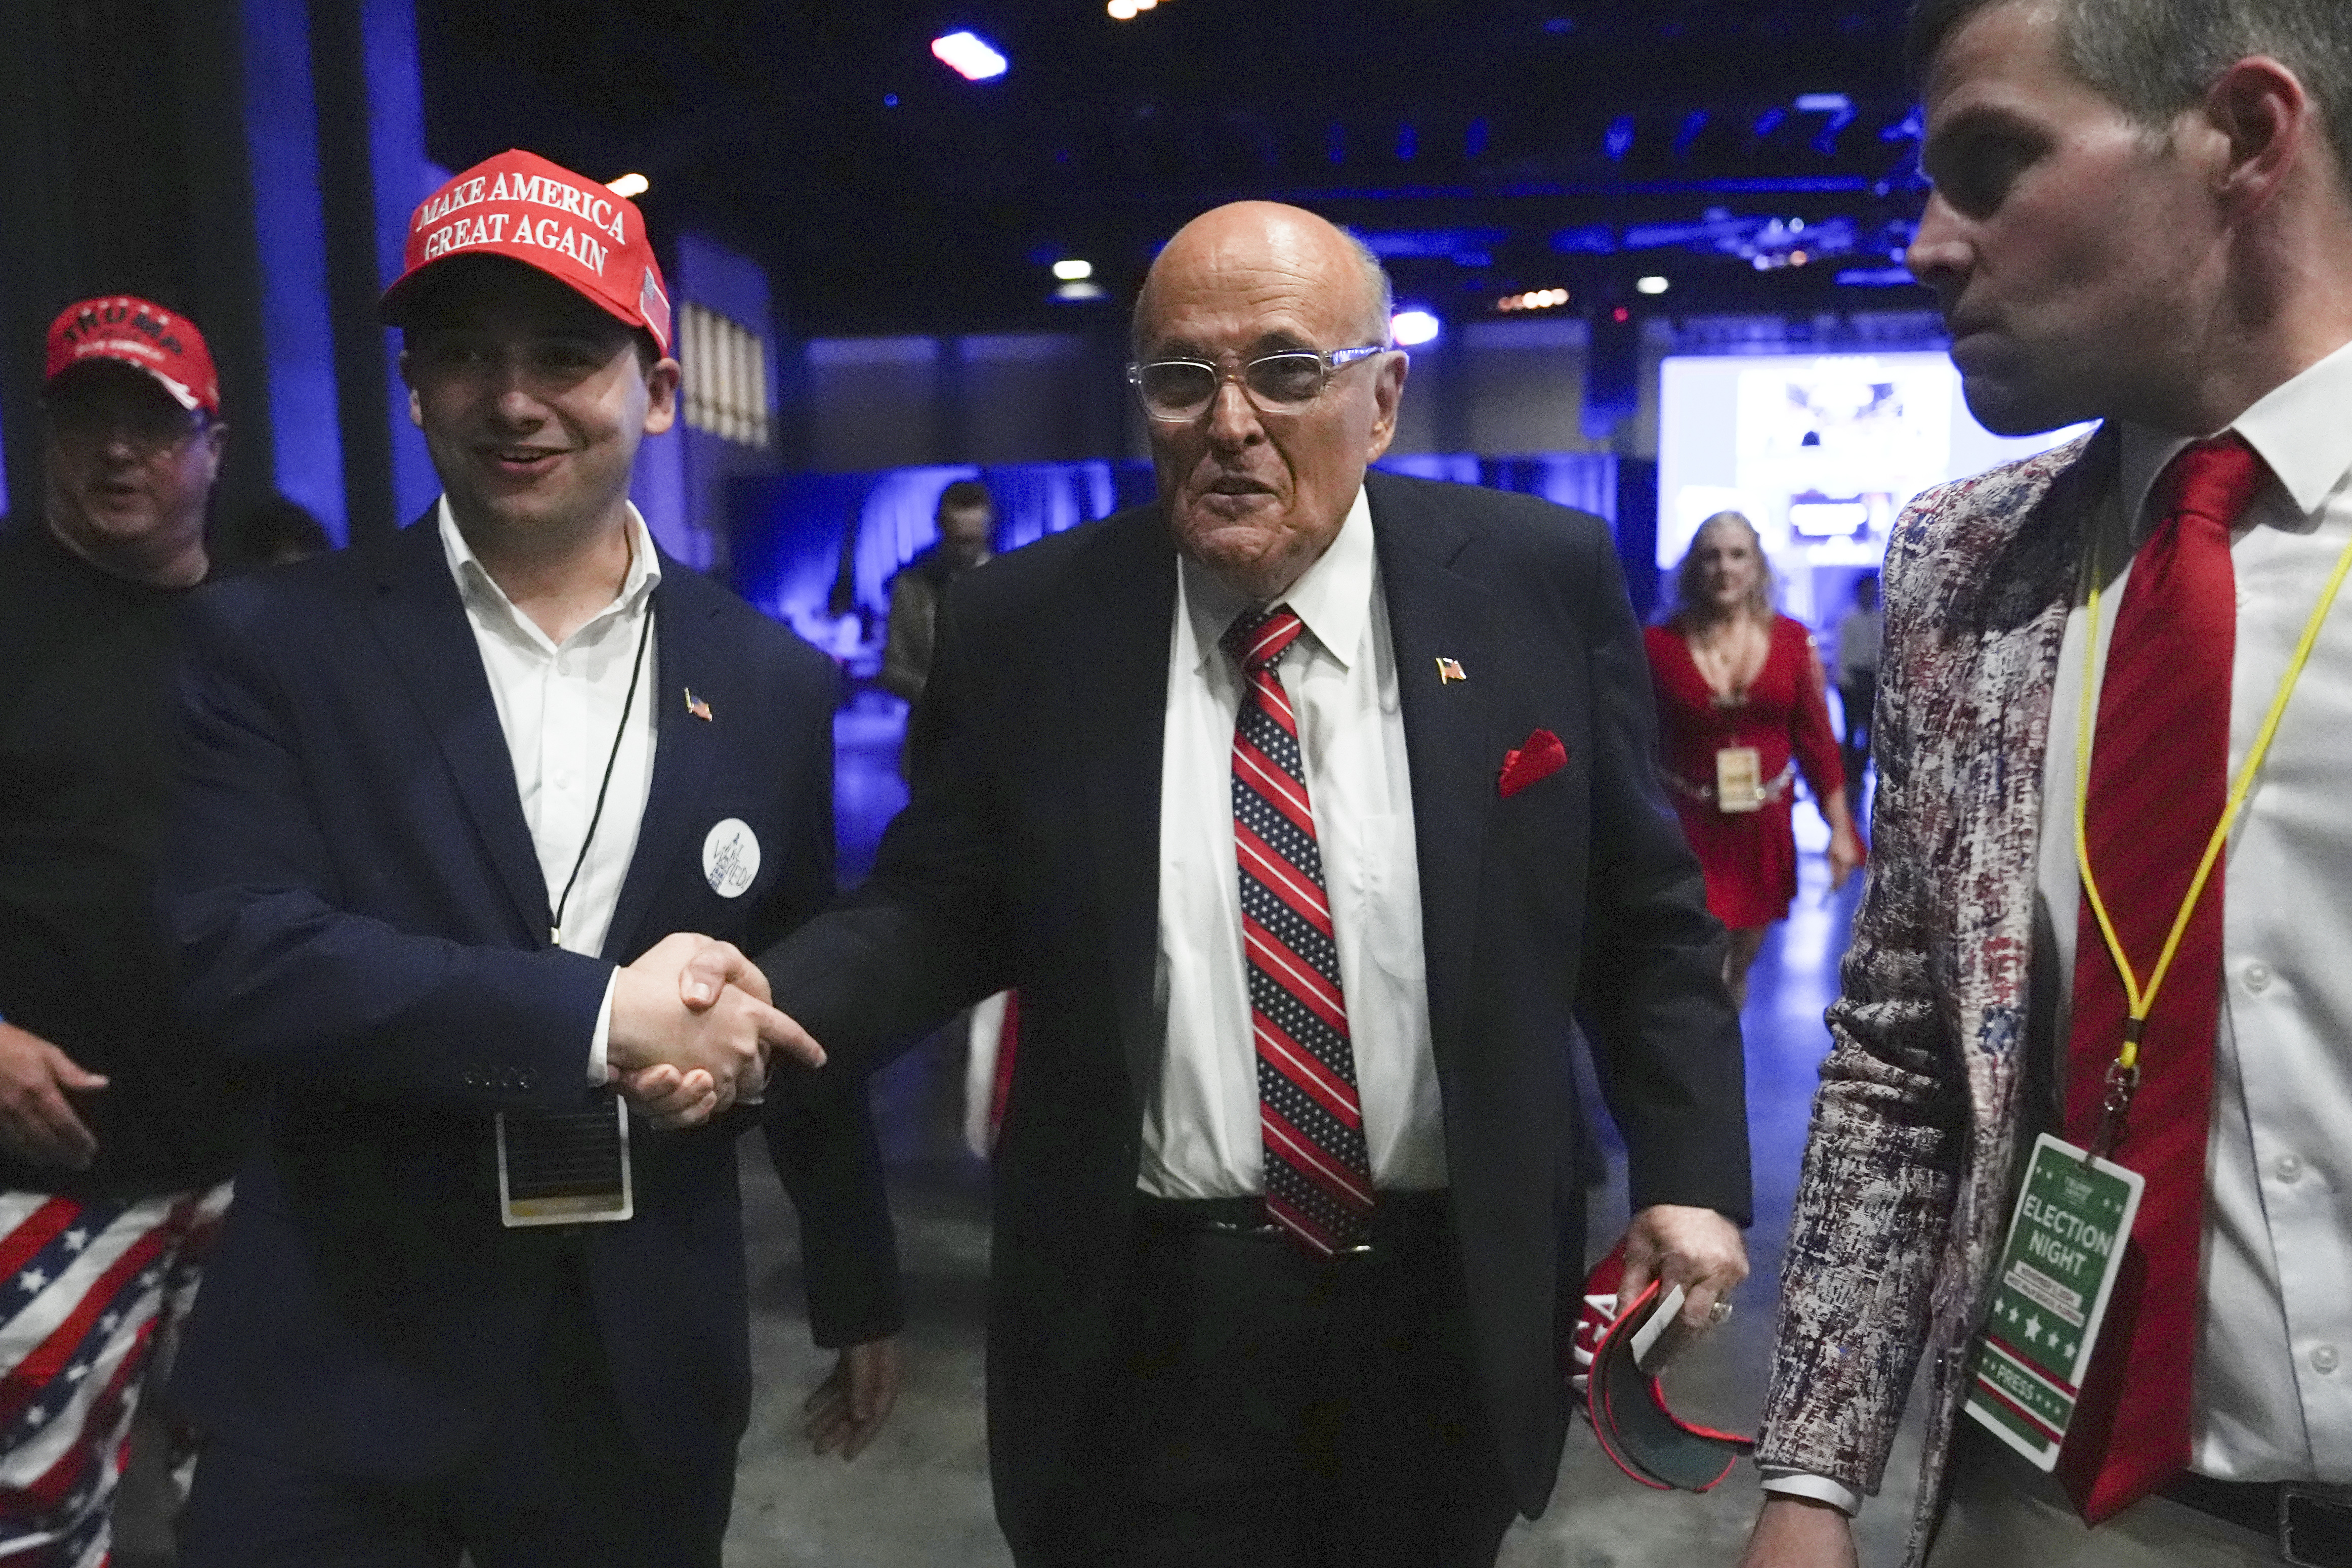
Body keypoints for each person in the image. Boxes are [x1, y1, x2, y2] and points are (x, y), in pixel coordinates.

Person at [734, 200, 1752, 1567]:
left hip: (1446, 1304)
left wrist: (1688, 1171)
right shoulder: (1032, 625)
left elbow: (1642, 919)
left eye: (1285, 369)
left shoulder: (1531, 585)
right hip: (1144, 1316)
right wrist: (757, 999)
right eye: (1180, 378)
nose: (1229, 422)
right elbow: (934, 902)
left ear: (1381, 398)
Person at [158, 149, 902, 1567]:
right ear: (414, 385)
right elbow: (239, 953)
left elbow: (800, 991)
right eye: (465, 357)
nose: (515, 400)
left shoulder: (769, 682)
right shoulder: (276, 644)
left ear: (659, 389)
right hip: (338, 1362)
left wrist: (855, 1280)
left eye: (566, 354)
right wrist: (594, 1019)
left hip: (635, 1368)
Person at [1740, 2, 2352, 1565]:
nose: (1930, 245)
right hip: (2070, 1503)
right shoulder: (1970, 565)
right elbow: (1899, 1056)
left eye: (1990, 166)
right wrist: (1808, 1478)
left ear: (2241, 139)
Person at [0, 296, 243, 1565]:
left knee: (271, 1504)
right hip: (44, 1182)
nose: (115, 451)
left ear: (213, 444)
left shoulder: (264, 634)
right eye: (84, 417)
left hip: (249, 1168)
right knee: (33, 1524)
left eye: (151, 424)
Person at [1644, 513, 1863, 1007]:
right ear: (1693, 567)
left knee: (1735, 970)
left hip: (1761, 830)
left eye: (1737, 554)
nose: (1725, 567)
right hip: (1685, 830)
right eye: (1712, 555)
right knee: (1690, 969)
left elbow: (1817, 742)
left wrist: (1841, 831)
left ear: (1757, 565)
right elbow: (1635, 742)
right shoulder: (1659, 647)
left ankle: (1721, 1073)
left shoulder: (1791, 641)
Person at [879, 478, 995, 778]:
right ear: (941, 528)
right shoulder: (912, 588)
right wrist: (951, 698)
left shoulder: (1010, 583)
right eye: (959, 540)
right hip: (933, 745)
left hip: (997, 747)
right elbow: (894, 670)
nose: (965, 550)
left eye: (972, 540)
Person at [1833, 572, 1882, 814]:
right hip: (1853, 681)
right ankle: (1852, 775)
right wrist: (1844, 682)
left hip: (1872, 679)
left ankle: (1859, 771)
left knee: (1871, 732)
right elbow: (1843, 653)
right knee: (1852, 730)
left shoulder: (1879, 618)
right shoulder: (1849, 620)